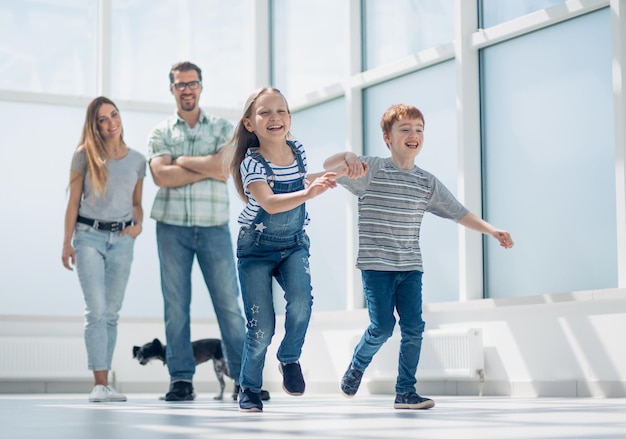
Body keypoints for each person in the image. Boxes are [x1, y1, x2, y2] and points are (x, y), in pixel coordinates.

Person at [324, 104, 514, 410]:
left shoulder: (427, 182)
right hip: (376, 267)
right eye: (405, 129)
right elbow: (329, 166)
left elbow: (458, 212)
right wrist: (348, 157)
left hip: (410, 267)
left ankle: (405, 392)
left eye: (419, 129)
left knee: (414, 328)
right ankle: (357, 366)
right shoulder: (371, 169)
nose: (413, 135)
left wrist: (491, 230)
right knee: (383, 327)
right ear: (387, 137)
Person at [228, 87, 366, 412]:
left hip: (292, 245)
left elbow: (307, 179)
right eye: (265, 113)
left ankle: (289, 358)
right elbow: (270, 203)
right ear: (250, 123)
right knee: (261, 328)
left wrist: (344, 169)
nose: (275, 118)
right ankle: (249, 387)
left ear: (289, 118)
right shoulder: (252, 162)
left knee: (302, 301)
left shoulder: (297, 148)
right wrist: (310, 193)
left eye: (281, 111)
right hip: (255, 250)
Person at [147, 61, 247, 402]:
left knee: (229, 305)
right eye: (179, 84)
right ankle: (181, 380)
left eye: (192, 83)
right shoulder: (160, 132)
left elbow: (223, 169)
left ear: (201, 86)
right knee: (176, 307)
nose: (186, 89)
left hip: (213, 226)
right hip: (170, 226)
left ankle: (245, 378)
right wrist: (204, 163)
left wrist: (181, 161)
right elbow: (161, 177)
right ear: (172, 88)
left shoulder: (222, 128)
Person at [62, 96, 146, 402]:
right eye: (102, 119)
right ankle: (98, 384)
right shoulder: (83, 156)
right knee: (96, 311)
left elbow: (136, 203)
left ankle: (107, 384)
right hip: (88, 237)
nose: (111, 123)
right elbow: (73, 202)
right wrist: (66, 244)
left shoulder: (138, 160)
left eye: (114, 115)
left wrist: (138, 227)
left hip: (122, 240)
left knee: (111, 313)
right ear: (94, 125)